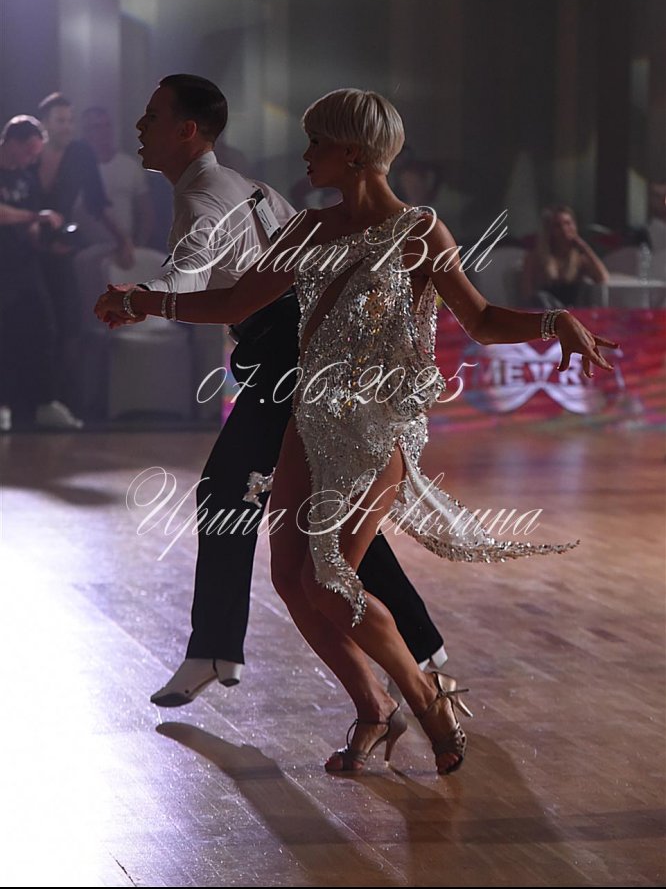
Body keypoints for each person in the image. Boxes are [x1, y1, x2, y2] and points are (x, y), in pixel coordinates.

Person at [97, 88, 617, 776]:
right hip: (308, 417)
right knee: (290, 578)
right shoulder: (308, 228)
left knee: (331, 581)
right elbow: (233, 301)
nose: (305, 154)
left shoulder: (419, 232)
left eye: (316, 142)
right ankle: (373, 708)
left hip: (377, 426)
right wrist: (144, 299)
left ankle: (426, 697)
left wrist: (556, 321)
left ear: (353, 152)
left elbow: (482, 318)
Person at [95, 74, 447, 707]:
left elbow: (194, 268)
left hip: (286, 355)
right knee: (321, 511)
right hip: (292, 350)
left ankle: (219, 651)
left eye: (152, 116)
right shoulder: (245, 185)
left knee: (237, 496)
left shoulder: (202, 197)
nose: (140, 128)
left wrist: (140, 297)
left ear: (187, 130)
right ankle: (421, 650)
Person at [0, 115, 83, 430]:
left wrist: (49, 242)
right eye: (28, 151)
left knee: (42, 328)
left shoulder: (27, 178)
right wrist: (35, 216)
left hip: (25, 266)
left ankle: (45, 402)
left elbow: (31, 227)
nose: (31, 159)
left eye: (36, 154)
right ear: (12, 142)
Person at [81, 106, 156, 246]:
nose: (104, 132)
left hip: (127, 247)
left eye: (107, 126)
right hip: (90, 249)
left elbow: (146, 212)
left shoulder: (129, 166)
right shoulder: (78, 168)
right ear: (86, 132)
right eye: (97, 127)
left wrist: (139, 245)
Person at [522, 205, 609, 308]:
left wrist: (585, 248)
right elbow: (527, 295)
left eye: (568, 223)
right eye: (557, 226)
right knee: (541, 297)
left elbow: (602, 278)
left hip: (571, 313)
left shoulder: (579, 259)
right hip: (545, 312)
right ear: (549, 231)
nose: (564, 229)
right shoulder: (535, 258)